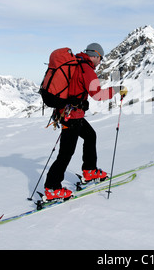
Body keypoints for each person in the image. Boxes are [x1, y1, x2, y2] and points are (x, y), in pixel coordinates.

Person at [43, 43, 128, 201]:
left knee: (90, 135)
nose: (100, 62)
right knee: (66, 152)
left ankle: (89, 171)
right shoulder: (86, 68)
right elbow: (98, 94)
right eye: (100, 59)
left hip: (70, 113)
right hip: (71, 116)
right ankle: (52, 188)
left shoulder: (76, 63)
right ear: (95, 55)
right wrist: (118, 89)